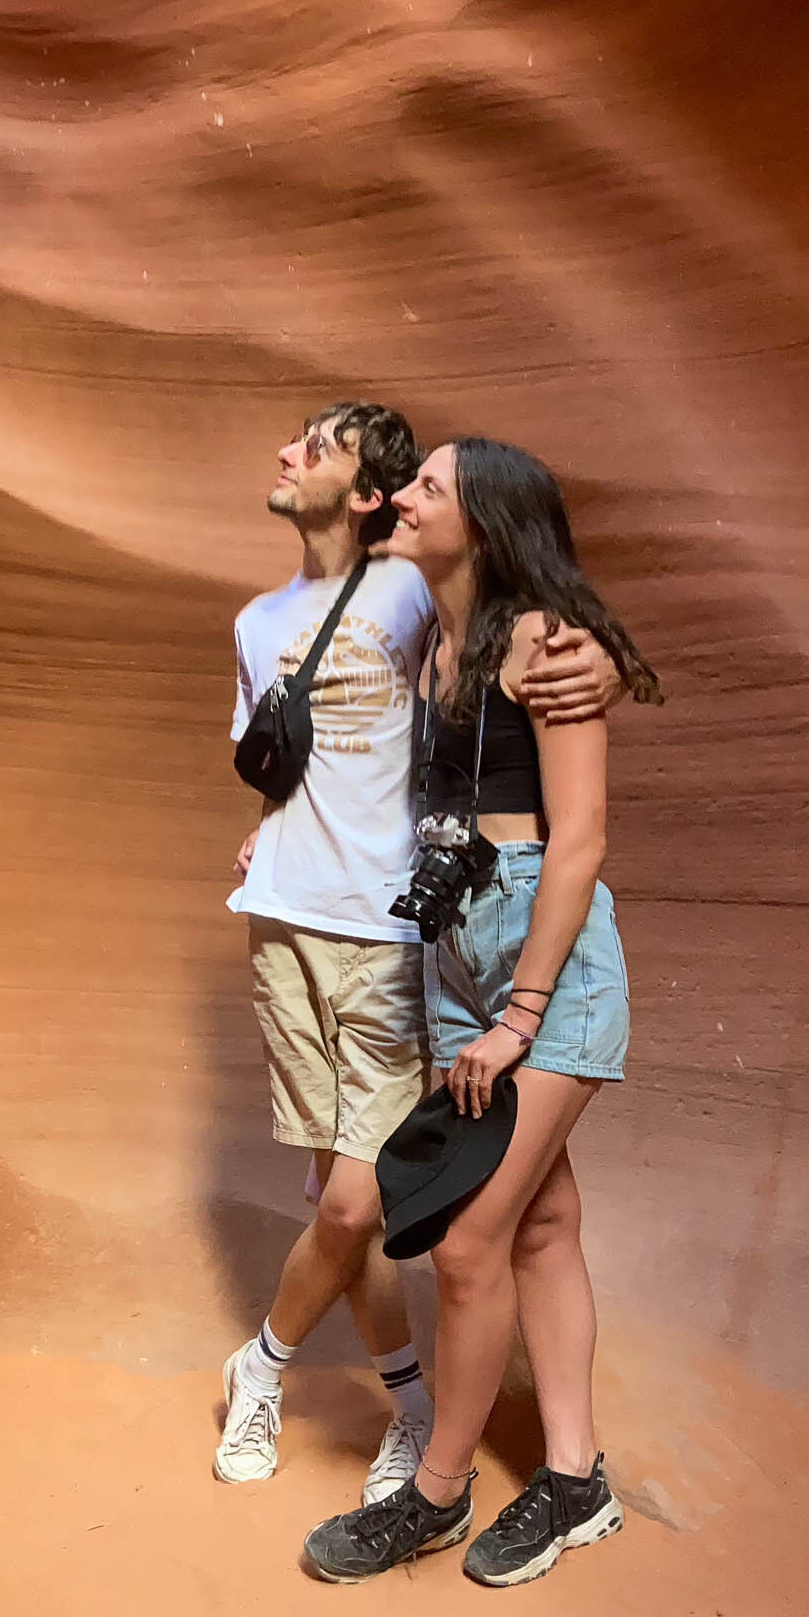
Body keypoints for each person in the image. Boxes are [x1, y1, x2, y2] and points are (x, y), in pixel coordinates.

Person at [217, 408, 621, 1502]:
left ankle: (400, 1454)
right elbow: (298, 748)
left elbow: (545, 662)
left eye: (318, 446)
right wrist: (273, 816)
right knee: (472, 1214)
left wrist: (601, 667)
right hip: (361, 935)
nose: (287, 455)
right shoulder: (315, 620)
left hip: (431, 942)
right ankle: (471, 1431)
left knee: (401, 1214)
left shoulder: (444, 600)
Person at [301, 435, 661, 1588]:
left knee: (468, 1244)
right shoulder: (428, 633)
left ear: (490, 523)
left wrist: (522, 1016)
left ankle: (438, 1493)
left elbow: (582, 838)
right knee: (543, 1225)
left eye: (431, 488)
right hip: (453, 953)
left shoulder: (548, 644)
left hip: (538, 960)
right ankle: (574, 1477)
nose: (406, 498)